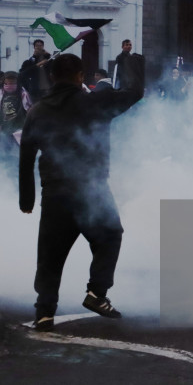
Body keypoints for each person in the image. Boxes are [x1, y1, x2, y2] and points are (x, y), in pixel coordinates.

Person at [19, 53, 144, 332]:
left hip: (55, 193)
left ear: (52, 77)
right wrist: (130, 60)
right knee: (110, 236)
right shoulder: (95, 103)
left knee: (50, 256)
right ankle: (97, 294)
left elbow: (26, 157)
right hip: (92, 190)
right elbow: (135, 92)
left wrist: (26, 199)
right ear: (80, 77)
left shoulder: (37, 111)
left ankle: (44, 313)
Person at [0, 71, 32, 163]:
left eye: (12, 83)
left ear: (17, 83)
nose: (9, 85)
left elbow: (30, 110)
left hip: (19, 131)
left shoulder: (23, 94)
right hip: (4, 130)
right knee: (3, 157)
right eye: (7, 83)